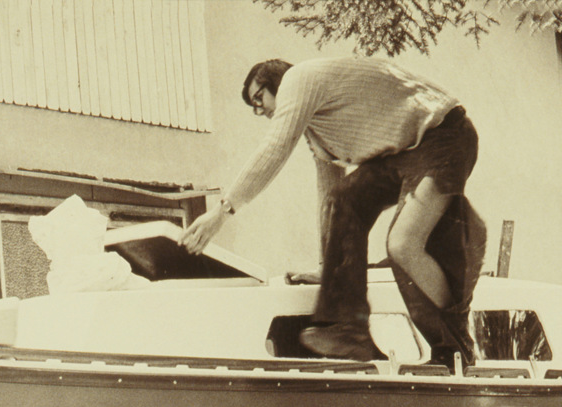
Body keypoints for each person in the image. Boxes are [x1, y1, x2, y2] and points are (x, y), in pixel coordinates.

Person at [181, 57, 486, 364]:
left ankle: (455, 346)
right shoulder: (319, 132)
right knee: (344, 198)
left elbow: (275, 148)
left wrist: (222, 211)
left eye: (259, 98)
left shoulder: (298, 79)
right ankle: (349, 329)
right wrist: (329, 270)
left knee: (403, 244)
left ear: (277, 82)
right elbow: (331, 196)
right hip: (407, 153)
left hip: (446, 135)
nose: (259, 111)